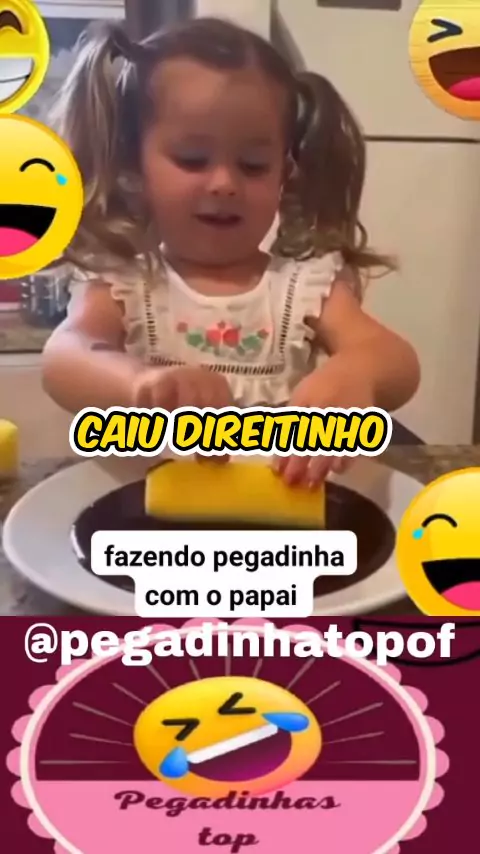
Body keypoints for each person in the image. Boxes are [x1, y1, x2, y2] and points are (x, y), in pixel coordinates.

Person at [42, 17, 420, 486]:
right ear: (134, 166)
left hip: (276, 511)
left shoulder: (302, 287)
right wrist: (138, 383)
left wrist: (356, 374)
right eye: (192, 159)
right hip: (146, 511)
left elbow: (396, 359)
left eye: (253, 165)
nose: (224, 183)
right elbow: (65, 356)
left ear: (284, 175)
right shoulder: (125, 283)